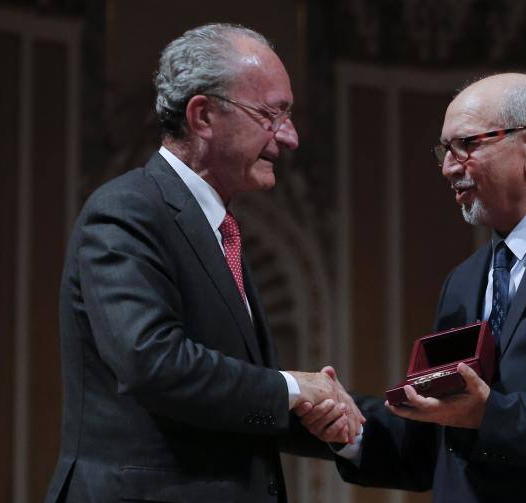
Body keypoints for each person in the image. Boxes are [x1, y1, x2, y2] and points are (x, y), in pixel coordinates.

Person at [298, 73, 526, 502]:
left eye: (467, 144)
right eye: (444, 150)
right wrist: (353, 429)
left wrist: (492, 415)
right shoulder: (465, 279)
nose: (448, 166)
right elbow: (435, 445)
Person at [44, 23, 362, 503]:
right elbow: (151, 362)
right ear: (203, 116)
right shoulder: (127, 210)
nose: (290, 137)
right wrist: (293, 387)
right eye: (271, 114)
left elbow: (227, 398)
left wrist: (332, 414)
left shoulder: (218, 228)